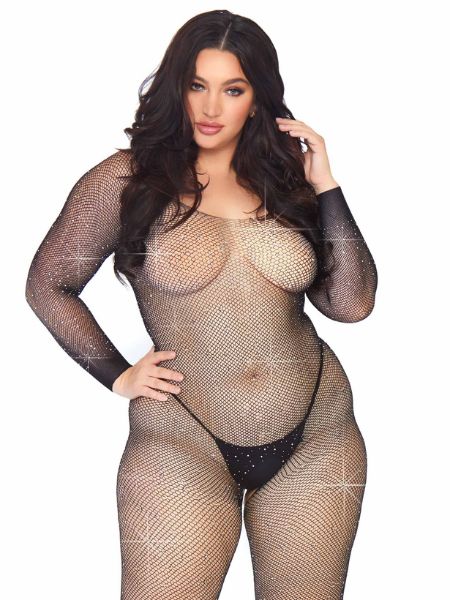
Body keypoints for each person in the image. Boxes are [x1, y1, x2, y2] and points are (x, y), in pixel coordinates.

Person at [25, 9, 377, 600]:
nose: (211, 108)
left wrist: (326, 185)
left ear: (257, 99)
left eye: (233, 90)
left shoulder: (287, 181)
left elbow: (352, 304)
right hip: (181, 435)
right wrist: (116, 374)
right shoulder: (124, 181)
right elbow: (48, 283)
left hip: (317, 432)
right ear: (176, 87)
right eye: (197, 85)